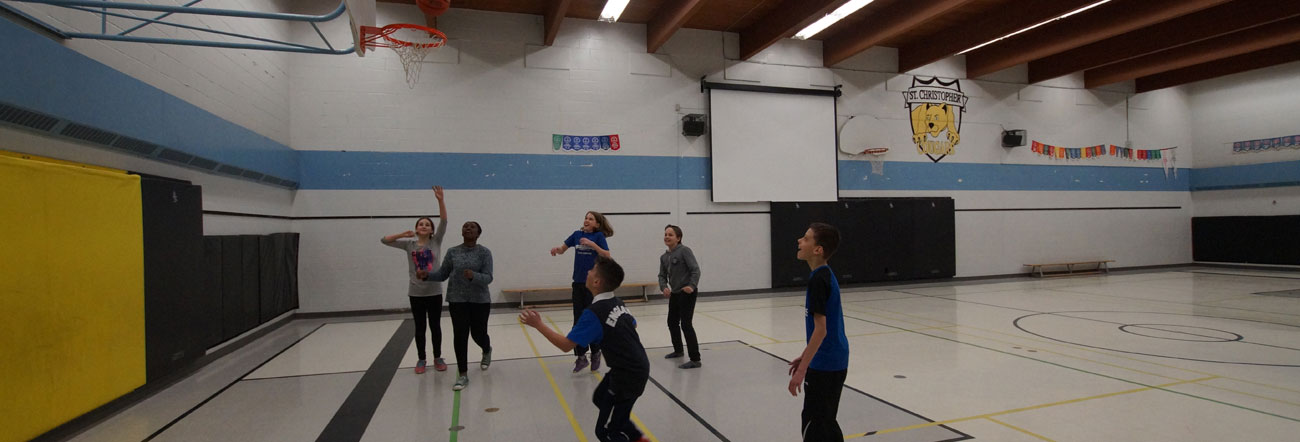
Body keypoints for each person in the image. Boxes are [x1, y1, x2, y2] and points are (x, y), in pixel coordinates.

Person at [519, 256, 650, 442]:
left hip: (627, 375)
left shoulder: (594, 313)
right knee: (600, 398)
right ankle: (637, 437)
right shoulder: (617, 302)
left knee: (605, 431)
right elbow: (632, 325)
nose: (587, 272)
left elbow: (565, 345)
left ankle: (623, 434)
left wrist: (538, 324)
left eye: (591, 270)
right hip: (634, 368)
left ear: (596, 281)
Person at [787, 222, 849, 442]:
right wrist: (805, 356)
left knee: (814, 424)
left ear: (818, 249)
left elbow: (820, 330)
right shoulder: (824, 275)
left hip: (826, 364)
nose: (799, 241)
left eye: (805, 238)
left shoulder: (818, 280)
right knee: (827, 421)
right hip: (834, 358)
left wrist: (803, 369)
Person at [381, 186, 448, 374]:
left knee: (435, 327)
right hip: (416, 293)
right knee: (420, 327)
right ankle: (421, 359)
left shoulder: (436, 242)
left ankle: (437, 357)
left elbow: (444, 221)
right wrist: (403, 234)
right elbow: (384, 240)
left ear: (432, 230)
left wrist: (440, 200)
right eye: (421, 224)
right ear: (417, 229)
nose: (424, 226)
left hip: (434, 291)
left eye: (427, 224)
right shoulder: (408, 245)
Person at [426, 221, 493, 391]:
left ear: (478, 233)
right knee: (460, 335)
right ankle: (463, 374)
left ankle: (486, 349)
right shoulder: (452, 252)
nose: (468, 228)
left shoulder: (484, 253)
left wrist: (474, 276)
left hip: (480, 300)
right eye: (465, 226)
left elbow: (488, 278)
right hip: (457, 300)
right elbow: (442, 274)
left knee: (478, 334)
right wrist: (426, 276)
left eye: (472, 226)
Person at [549, 211, 613, 373]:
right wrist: (557, 249)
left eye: (590, 219)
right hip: (578, 283)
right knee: (578, 320)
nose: (586, 220)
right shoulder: (577, 235)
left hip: (593, 286)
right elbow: (563, 248)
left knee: (593, 319)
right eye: (586, 217)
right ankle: (581, 356)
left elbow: (607, 255)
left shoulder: (598, 237)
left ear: (597, 224)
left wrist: (592, 245)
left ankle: (596, 352)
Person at [658, 224, 702, 369]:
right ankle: (678, 350)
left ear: (678, 238)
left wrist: (692, 285)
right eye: (665, 234)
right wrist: (664, 287)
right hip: (675, 294)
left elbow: (695, 270)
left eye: (670, 235)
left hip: (687, 293)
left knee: (686, 324)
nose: (667, 237)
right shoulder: (664, 257)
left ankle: (695, 359)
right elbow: (662, 275)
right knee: (672, 322)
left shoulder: (684, 251)